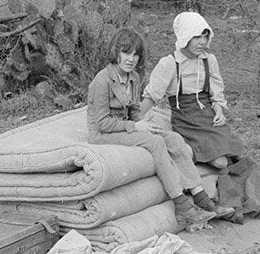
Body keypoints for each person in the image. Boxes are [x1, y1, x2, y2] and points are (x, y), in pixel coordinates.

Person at [86, 28, 231, 230]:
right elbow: (102, 123)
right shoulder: (102, 81)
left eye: (136, 55)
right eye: (126, 53)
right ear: (115, 52)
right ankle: (182, 205)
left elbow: (133, 109)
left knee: (172, 138)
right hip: (104, 134)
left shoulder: (133, 77)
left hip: (126, 126)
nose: (131, 59)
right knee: (155, 143)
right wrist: (135, 126)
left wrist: (143, 124)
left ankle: (201, 197)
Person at [139, 11, 244, 170]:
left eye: (205, 36)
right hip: (185, 119)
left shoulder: (209, 60)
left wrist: (219, 112)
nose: (202, 42)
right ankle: (186, 152)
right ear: (185, 36)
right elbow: (152, 95)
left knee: (234, 156)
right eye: (197, 37)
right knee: (220, 162)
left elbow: (216, 93)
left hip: (208, 117)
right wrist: (133, 121)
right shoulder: (169, 63)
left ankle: (198, 154)